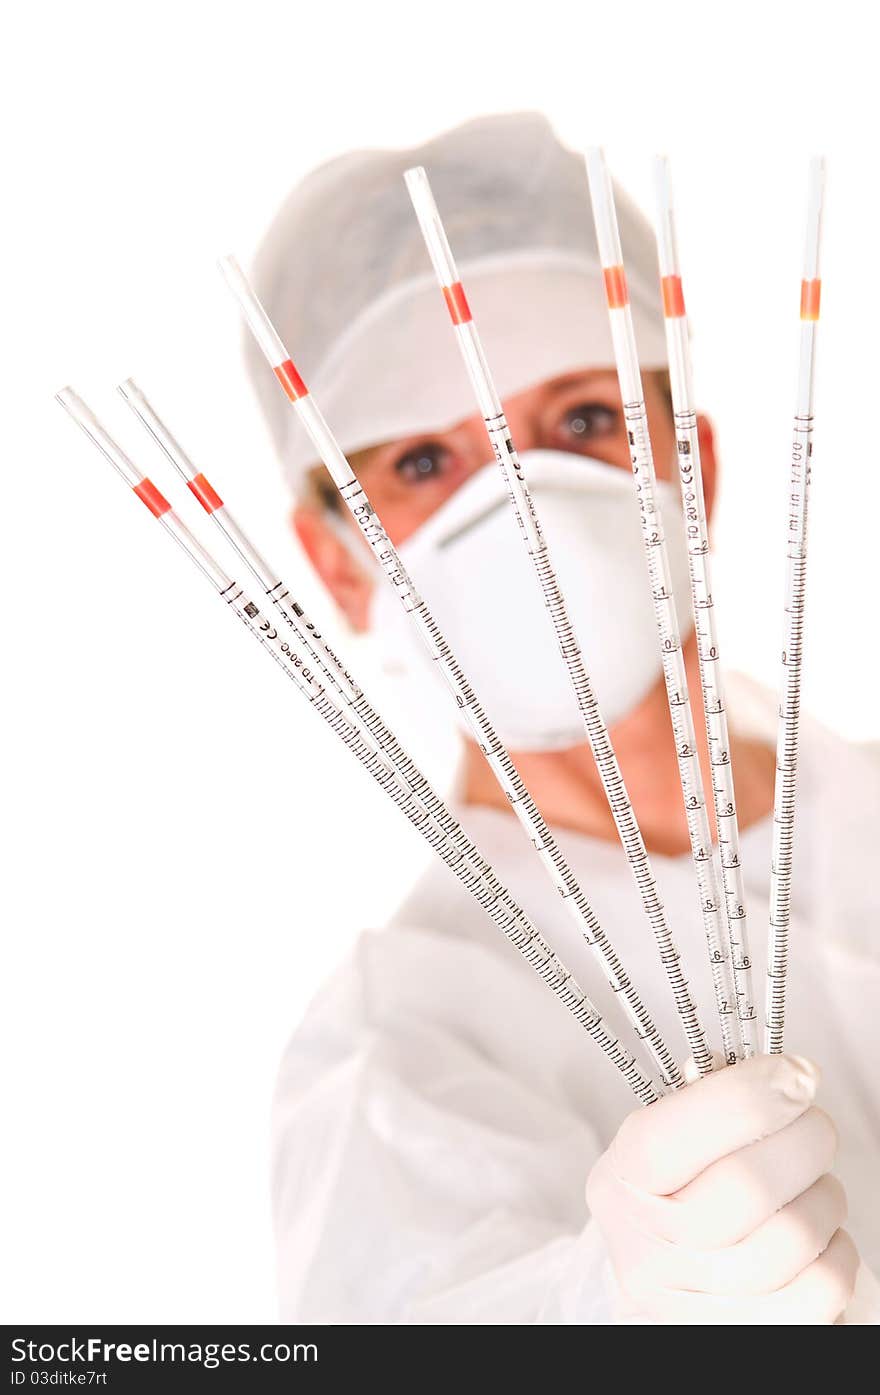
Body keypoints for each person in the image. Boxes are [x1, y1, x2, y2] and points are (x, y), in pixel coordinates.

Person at [247, 112, 880, 1323]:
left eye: (583, 422)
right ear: (335, 562)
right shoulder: (404, 1052)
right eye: (425, 464)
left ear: (685, 460)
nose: (522, 511)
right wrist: (625, 1308)